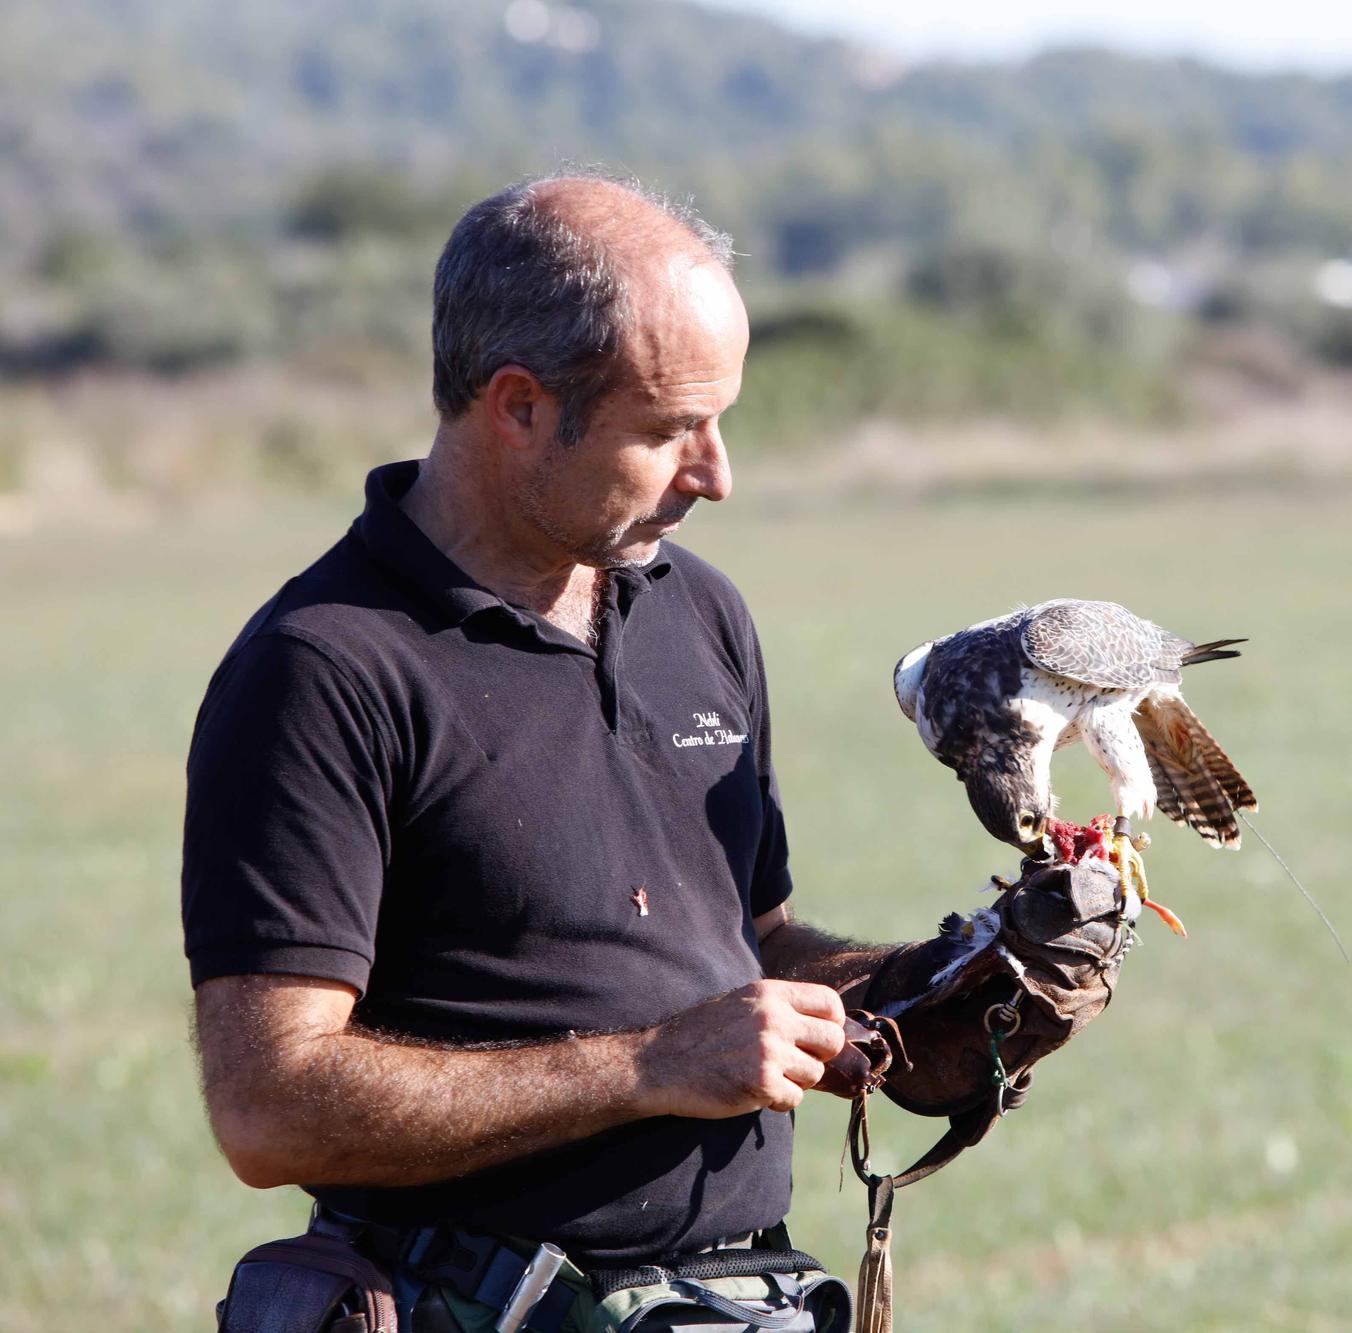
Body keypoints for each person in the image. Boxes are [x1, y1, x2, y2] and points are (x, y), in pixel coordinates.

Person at [182, 171, 890, 1331]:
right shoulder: (324, 668)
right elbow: (270, 1107)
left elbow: (746, 948)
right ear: (517, 405)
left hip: (732, 1302)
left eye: (721, 421)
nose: (716, 473)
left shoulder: (695, 611)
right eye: (668, 431)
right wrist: (650, 1064)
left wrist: (951, 989)